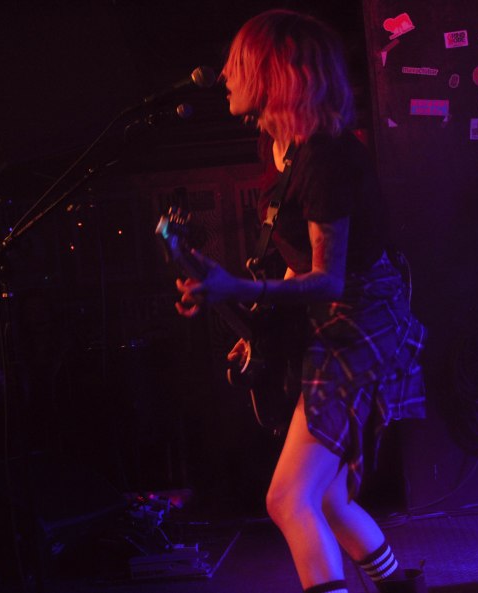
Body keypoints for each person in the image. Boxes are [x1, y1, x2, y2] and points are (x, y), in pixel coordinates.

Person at [175, 10, 427, 593]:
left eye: (237, 64)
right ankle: (398, 586)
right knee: (329, 498)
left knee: (288, 499)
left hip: (360, 326)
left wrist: (237, 288)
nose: (225, 76)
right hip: (340, 324)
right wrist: (256, 323)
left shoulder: (325, 159)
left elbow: (329, 280)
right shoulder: (284, 150)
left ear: (274, 73)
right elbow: (299, 261)